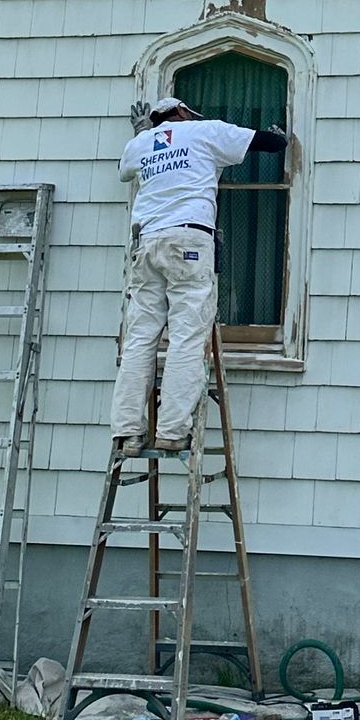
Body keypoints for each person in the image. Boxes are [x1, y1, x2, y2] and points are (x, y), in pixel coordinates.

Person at [112, 95, 291, 452]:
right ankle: (172, 431)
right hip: (188, 240)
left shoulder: (141, 142)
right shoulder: (205, 131)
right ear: (181, 113)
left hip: (146, 243)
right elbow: (267, 144)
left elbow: (125, 170)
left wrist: (144, 136)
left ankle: (128, 431)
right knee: (186, 336)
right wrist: (280, 136)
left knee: (140, 337)